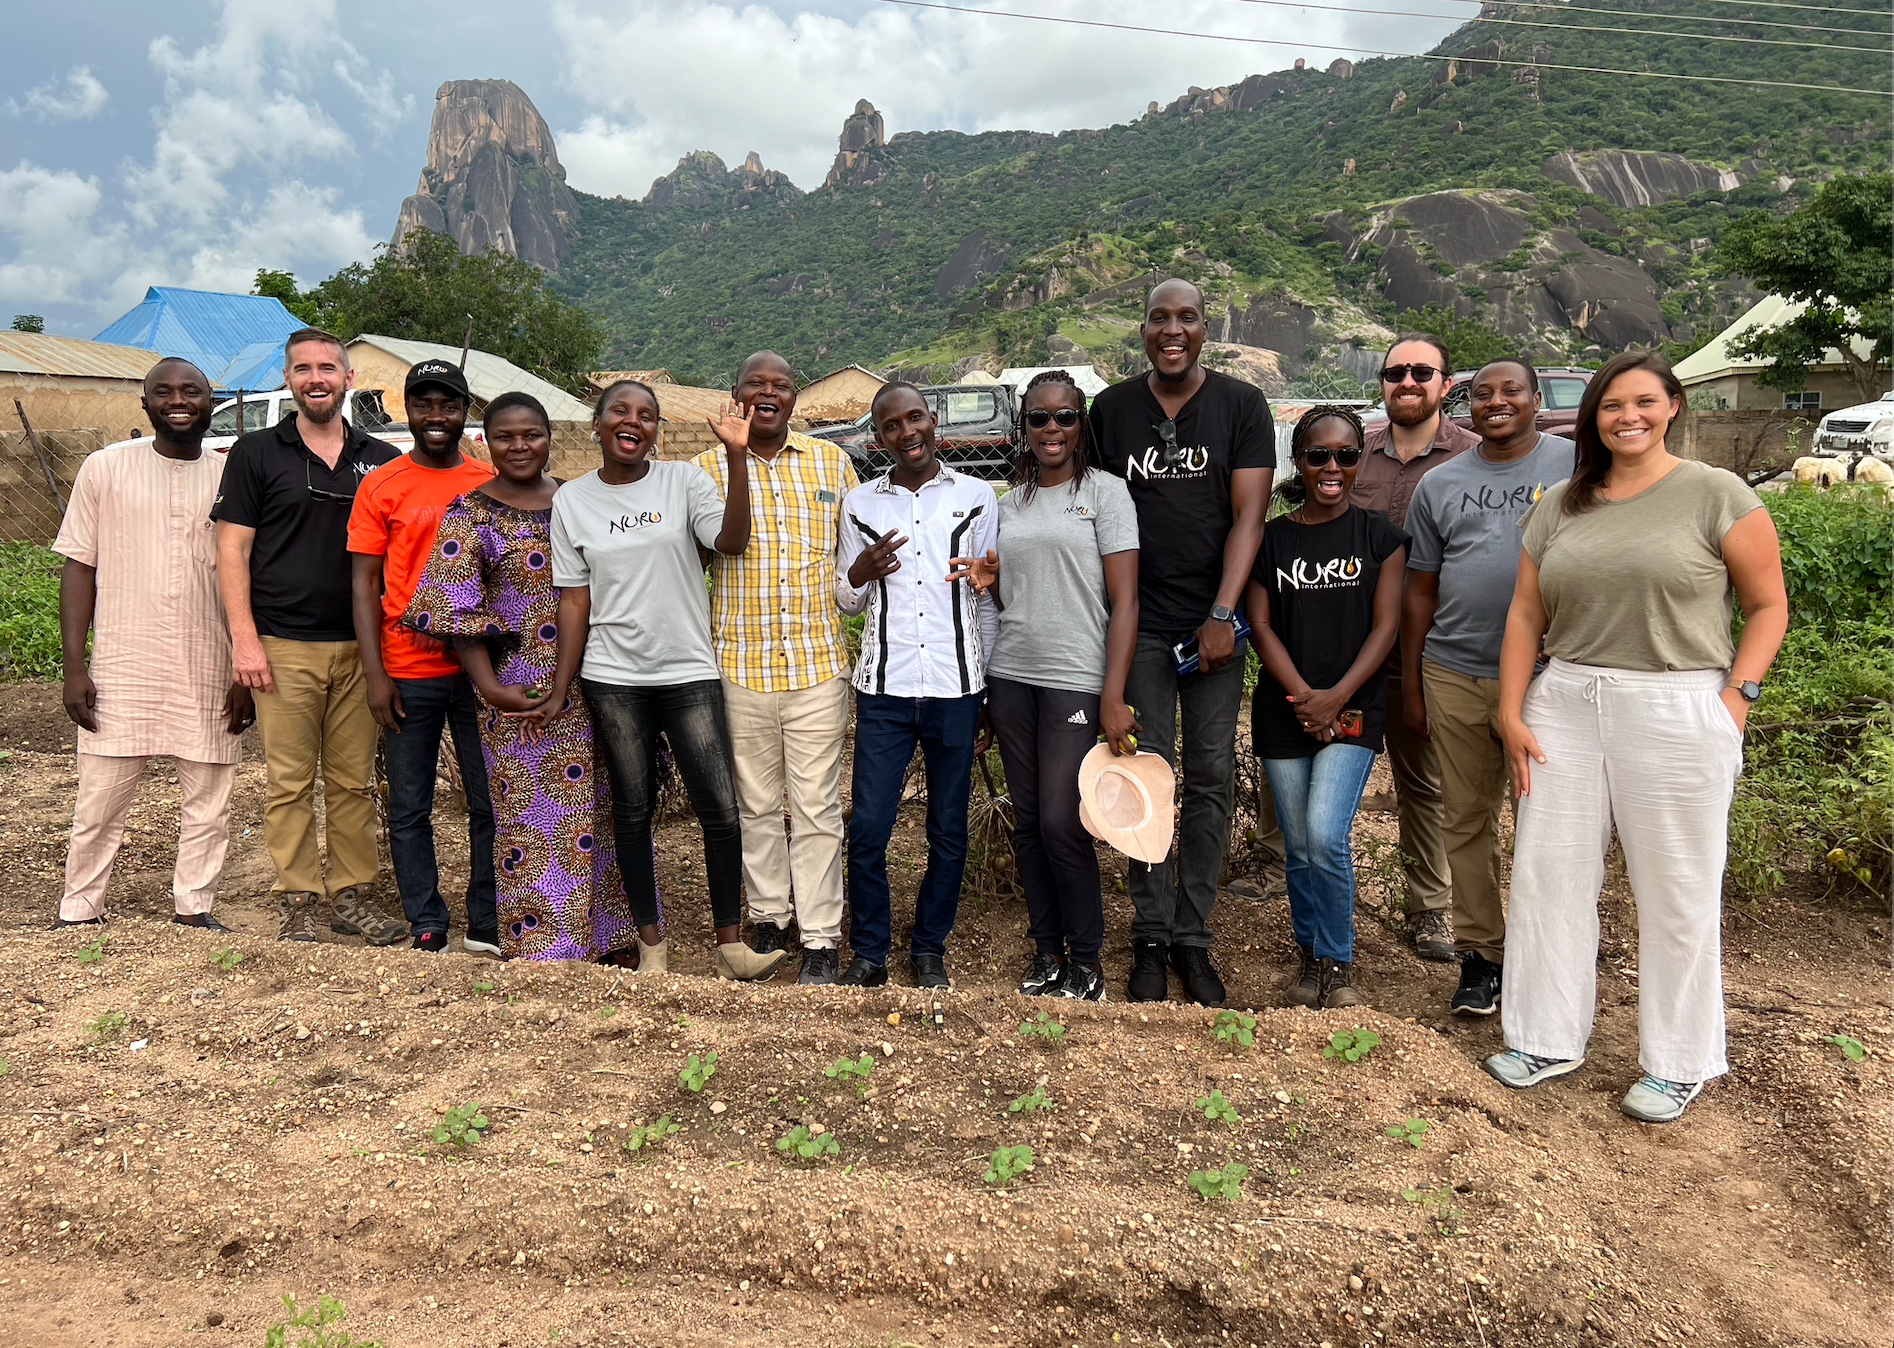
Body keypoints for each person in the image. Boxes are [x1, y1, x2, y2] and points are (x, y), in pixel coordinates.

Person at [1486, 351, 1788, 1124]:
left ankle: (1679, 1060)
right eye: (1612, 405)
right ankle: (1546, 1037)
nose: (1629, 417)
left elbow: (1768, 606)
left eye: (1644, 403)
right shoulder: (1560, 501)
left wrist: (1736, 698)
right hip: (1568, 701)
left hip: (1678, 700)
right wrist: (1512, 710)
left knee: (1678, 887)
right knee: (1549, 878)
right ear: (1593, 418)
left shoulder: (1716, 494)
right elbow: (1525, 613)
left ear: (1672, 406)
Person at [536, 380, 783, 980]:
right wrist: (562, 683)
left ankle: (731, 945)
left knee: (720, 808)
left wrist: (735, 456)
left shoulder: (682, 482)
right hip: (613, 676)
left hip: (687, 670)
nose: (633, 422)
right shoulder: (572, 500)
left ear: (657, 431)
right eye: (619, 411)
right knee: (632, 808)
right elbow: (574, 600)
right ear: (595, 424)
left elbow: (730, 540)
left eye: (646, 416)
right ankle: (653, 949)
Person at [1089, 278, 1273, 1007]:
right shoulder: (1111, 411)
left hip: (1212, 633)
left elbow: (1250, 517)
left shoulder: (1241, 406)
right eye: (1159, 318)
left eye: (1187, 318)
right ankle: (1150, 933)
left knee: (1209, 782)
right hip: (1140, 626)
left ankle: (1194, 939)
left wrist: (1224, 614)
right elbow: (1097, 514)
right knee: (1144, 779)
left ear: (1205, 329)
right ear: (1142, 330)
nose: (1173, 330)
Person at [404, 392, 637, 963]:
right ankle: (544, 947)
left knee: (603, 810)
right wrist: (489, 688)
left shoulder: (579, 501)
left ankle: (608, 937)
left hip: (597, 679)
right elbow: (454, 608)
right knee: (533, 820)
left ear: (549, 436)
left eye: (531, 434)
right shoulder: (471, 512)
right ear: (486, 441)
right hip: (518, 687)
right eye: (505, 436)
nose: (519, 446)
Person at [213, 328, 406, 945]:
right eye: (303, 369)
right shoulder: (256, 454)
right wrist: (245, 641)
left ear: (349, 379)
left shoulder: (380, 459)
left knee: (352, 781)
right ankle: (298, 896)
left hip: (362, 648)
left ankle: (351, 895)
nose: (315, 378)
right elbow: (232, 550)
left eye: (328, 367)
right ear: (289, 380)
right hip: (284, 645)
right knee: (290, 780)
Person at [51, 357, 253, 930]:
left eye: (191, 390)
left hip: (209, 660)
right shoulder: (105, 468)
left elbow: (254, 576)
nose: (178, 400)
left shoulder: (231, 477)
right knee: (99, 803)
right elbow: (78, 567)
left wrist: (245, 669)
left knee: (209, 800)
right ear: (145, 404)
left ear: (212, 402)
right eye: (163, 391)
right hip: (124, 659)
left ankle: (195, 906)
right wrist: (73, 669)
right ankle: (80, 908)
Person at [1401, 358, 1575, 1015]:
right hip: (1452, 669)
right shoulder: (1440, 485)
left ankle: (1546, 954)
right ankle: (1482, 957)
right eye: (1482, 394)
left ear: (1535, 399)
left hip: (1545, 677)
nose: (1495, 402)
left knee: (1548, 822)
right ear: (1463, 404)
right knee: (1467, 821)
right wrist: (1416, 683)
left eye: (1510, 392)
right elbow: (1420, 591)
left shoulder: (1572, 468)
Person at [959, 369, 1139, 1002]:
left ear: (1080, 423)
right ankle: (1047, 952)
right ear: (1024, 427)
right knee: (1030, 822)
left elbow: (1125, 602)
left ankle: (1087, 958)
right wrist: (990, 580)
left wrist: (1112, 695)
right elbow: (1009, 599)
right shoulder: (1006, 505)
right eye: (1039, 418)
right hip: (1011, 676)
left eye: (1064, 417)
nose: (1052, 429)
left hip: (1075, 679)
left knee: (1066, 822)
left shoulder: (1107, 495)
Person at [693, 352, 860, 986]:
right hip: (738, 661)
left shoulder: (832, 464)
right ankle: (767, 914)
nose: (769, 393)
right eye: (756, 384)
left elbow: (851, 566)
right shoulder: (704, 470)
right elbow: (697, 565)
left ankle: (819, 937)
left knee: (816, 805)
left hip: (817, 664)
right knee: (757, 803)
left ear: (796, 399)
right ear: (734, 396)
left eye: (781, 386)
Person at [836, 382, 1000, 989]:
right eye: (891, 426)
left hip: (957, 691)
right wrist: (860, 571)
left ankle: (929, 945)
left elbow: (986, 600)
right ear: (878, 438)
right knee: (871, 825)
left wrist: (987, 693)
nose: (907, 433)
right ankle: (870, 951)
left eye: (915, 419)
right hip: (884, 691)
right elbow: (847, 600)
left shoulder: (979, 497)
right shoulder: (860, 505)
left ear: (932, 422)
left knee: (947, 828)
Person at [1245, 407, 1408, 1009]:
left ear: (1359, 458)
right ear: (1300, 461)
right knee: (1297, 841)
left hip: (1354, 708)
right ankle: (1309, 954)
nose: (1332, 467)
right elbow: (1259, 624)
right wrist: (1303, 698)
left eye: (1345, 455)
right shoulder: (1272, 537)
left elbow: (1387, 625)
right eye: (1318, 455)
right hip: (1285, 707)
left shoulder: (1379, 537)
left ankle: (1338, 962)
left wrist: (1335, 698)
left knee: (1324, 832)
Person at [349, 360, 498, 954]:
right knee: (410, 803)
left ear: (466, 411)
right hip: (408, 669)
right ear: (407, 410)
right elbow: (363, 583)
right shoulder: (383, 483)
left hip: (482, 670)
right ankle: (427, 918)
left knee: (490, 801)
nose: (437, 415)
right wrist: (375, 673)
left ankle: (487, 920)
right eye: (424, 404)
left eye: (449, 404)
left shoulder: (490, 479)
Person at [1352, 333, 1478, 962]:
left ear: (1445, 384)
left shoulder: (1474, 459)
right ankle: (1271, 862)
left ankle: (1430, 909)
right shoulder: (1353, 452)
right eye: (1395, 371)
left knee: (1422, 781)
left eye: (1421, 372)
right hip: (1345, 649)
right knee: (1297, 756)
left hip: (1425, 650)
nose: (1407, 381)